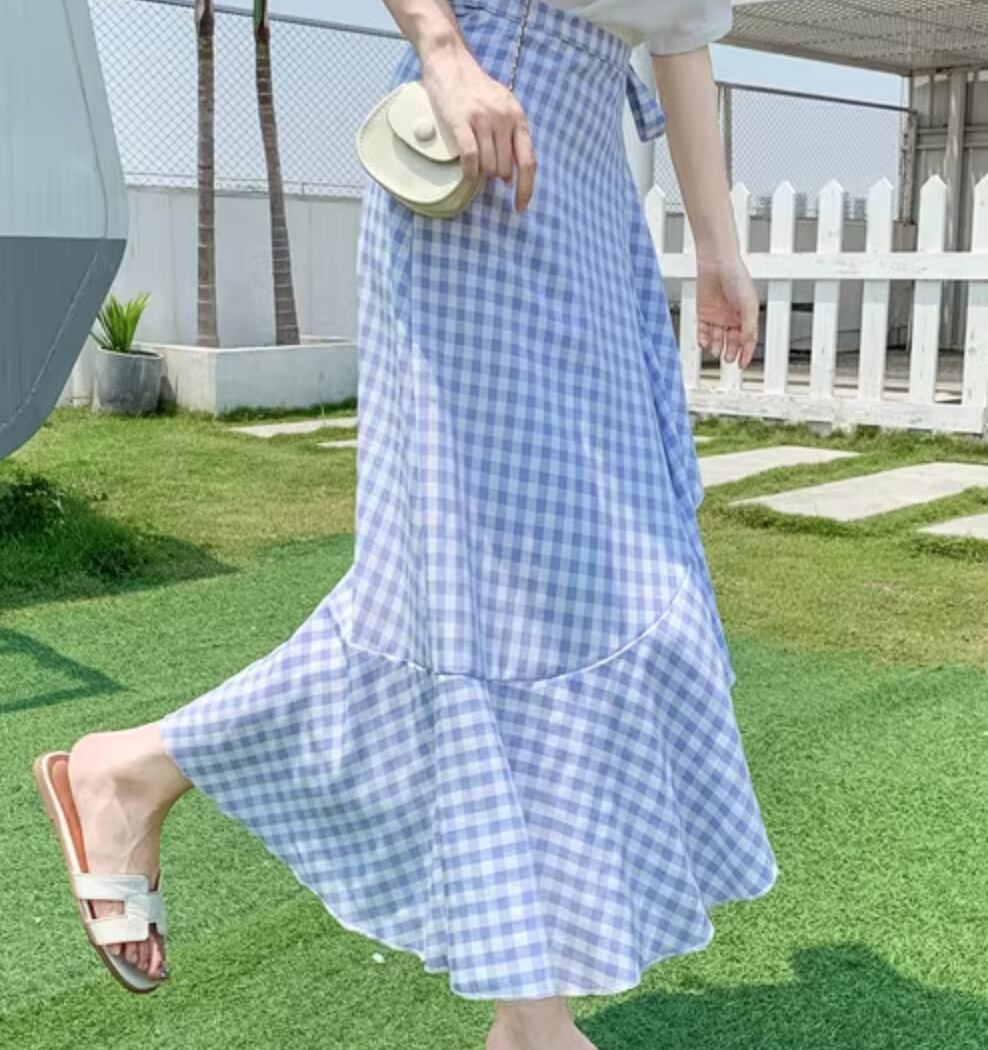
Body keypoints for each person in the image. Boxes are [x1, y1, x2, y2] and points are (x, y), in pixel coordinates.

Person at [34, 1, 778, 1048]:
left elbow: (682, 34)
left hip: (585, 199)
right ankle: (535, 1023)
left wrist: (716, 247)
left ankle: (136, 770)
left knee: (604, 590)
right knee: (481, 597)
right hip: (470, 157)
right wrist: (443, 51)